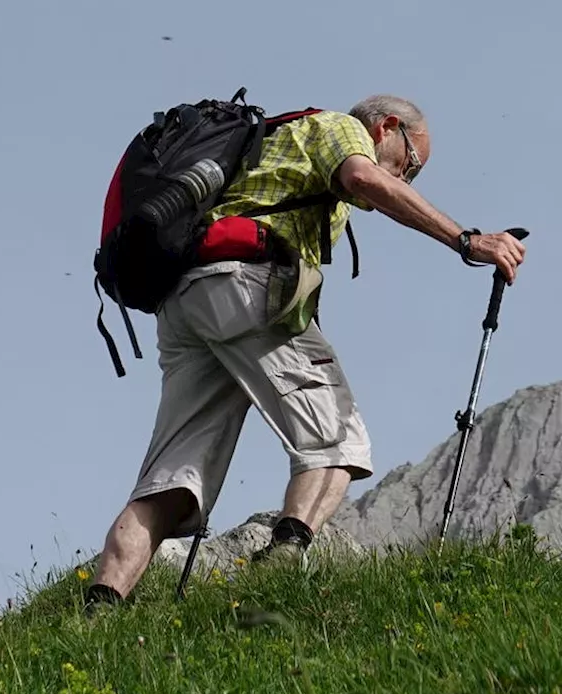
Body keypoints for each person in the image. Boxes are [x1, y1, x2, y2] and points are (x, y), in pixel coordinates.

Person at [85, 94, 526, 609]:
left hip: (184, 300)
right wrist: (467, 240)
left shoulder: (279, 149)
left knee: (172, 477)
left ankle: (98, 610)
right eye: (411, 165)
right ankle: (278, 572)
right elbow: (365, 178)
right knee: (339, 440)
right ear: (387, 127)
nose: (406, 180)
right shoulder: (341, 130)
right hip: (241, 283)